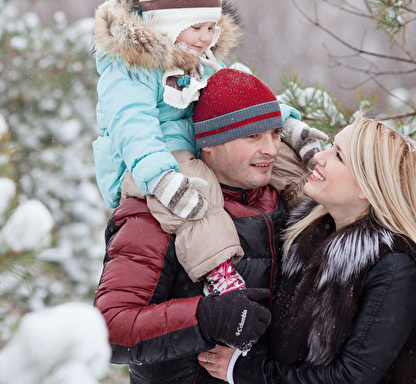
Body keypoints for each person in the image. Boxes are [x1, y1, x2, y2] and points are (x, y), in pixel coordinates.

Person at [92, 0, 316, 295]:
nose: (206, 37)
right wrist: (159, 176)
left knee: (281, 160)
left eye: (211, 27)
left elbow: (238, 97)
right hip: (146, 161)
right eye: (196, 27)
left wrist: (288, 126)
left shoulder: (198, 59)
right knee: (197, 190)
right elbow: (132, 127)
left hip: (197, 146)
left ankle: (318, 224)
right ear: (166, 25)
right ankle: (219, 269)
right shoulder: (130, 70)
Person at [198, 116, 416, 384]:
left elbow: (351, 378)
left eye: (338, 156)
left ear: (367, 187)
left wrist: (245, 371)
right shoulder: (307, 235)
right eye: (331, 146)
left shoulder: (396, 267)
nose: (319, 156)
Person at [94, 68, 302, 383]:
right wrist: (205, 318)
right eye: (252, 136)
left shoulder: (286, 201)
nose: (271, 149)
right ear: (209, 143)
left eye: (275, 133)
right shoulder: (157, 212)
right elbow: (109, 329)